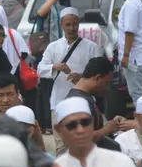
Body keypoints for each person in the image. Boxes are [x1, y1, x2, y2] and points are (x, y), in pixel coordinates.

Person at [37, 7, 101, 135]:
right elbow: (40, 69)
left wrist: (82, 78)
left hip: (83, 103)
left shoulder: (91, 47)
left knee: (82, 140)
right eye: (68, 25)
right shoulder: (53, 47)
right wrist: (55, 67)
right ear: (61, 25)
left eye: (74, 24)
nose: (71, 28)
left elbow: (99, 73)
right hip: (58, 102)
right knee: (60, 144)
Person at [60, 57, 122, 154]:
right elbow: (77, 140)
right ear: (97, 78)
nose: (108, 88)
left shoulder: (85, 97)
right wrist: (105, 130)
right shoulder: (76, 102)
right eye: (107, 83)